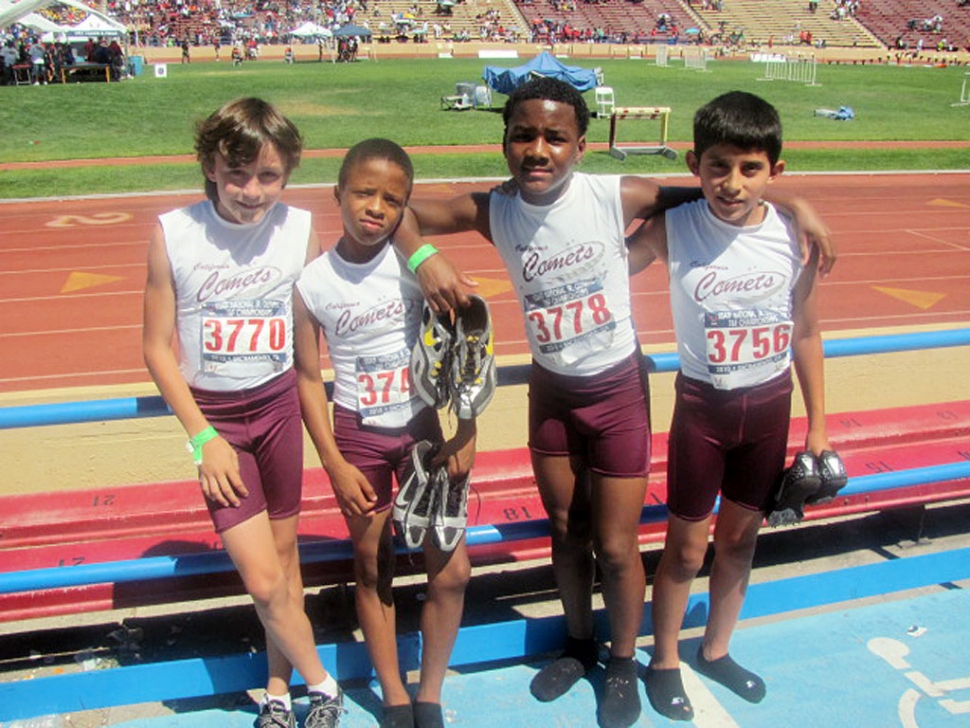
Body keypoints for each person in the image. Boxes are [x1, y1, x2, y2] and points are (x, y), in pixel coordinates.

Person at [393, 77, 834, 728]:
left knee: (619, 546)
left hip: (618, 390)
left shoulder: (615, 194)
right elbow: (392, 210)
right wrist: (426, 257)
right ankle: (578, 643)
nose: (537, 149)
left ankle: (625, 661)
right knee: (566, 531)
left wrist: (793, 203)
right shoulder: (494, 209)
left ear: (582, 144)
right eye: (523, 135)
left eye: (555, 137)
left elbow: (718, 195)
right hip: (552, 393)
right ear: (505, 140)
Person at [627, 90, 836, 721]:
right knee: (685, 550)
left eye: (750, 168)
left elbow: (806, 333)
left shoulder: (790, 238)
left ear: (776, 171)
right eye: (718, 166)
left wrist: (818, 428)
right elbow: (602, 263)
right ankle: (664, 659)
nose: (732, 182)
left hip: (770, 410)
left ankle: (716, 649)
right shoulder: (674, 227)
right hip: (703, 412)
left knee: (741, 541)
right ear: (695, 163)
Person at [142, 97, 344, 728]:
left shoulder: (300, 228)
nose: (252, 191)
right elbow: (154, 347)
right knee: (262, 579)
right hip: (219, 422)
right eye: (237, 175)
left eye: (269, 176)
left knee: (286, 567)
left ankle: (279, 692)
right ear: (209, 166)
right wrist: (203, 439)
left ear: (288, 174)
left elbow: (314, 336)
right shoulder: (173, 232)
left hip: (280, 408)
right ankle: (326, 685)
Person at [294, 138, 478, 728]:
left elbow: (468, 348)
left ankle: (431, 693)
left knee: (450, 567)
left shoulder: (417, 267)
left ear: (404, 209)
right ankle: (394, 696)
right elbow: (306, 375)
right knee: (373, 567)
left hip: (424, 432)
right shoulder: (312, 283)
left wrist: (467, 425)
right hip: (357, 438)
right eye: (363, 193)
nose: (375, 207)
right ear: (338, 195)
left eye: (392, 200)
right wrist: (332, 463)